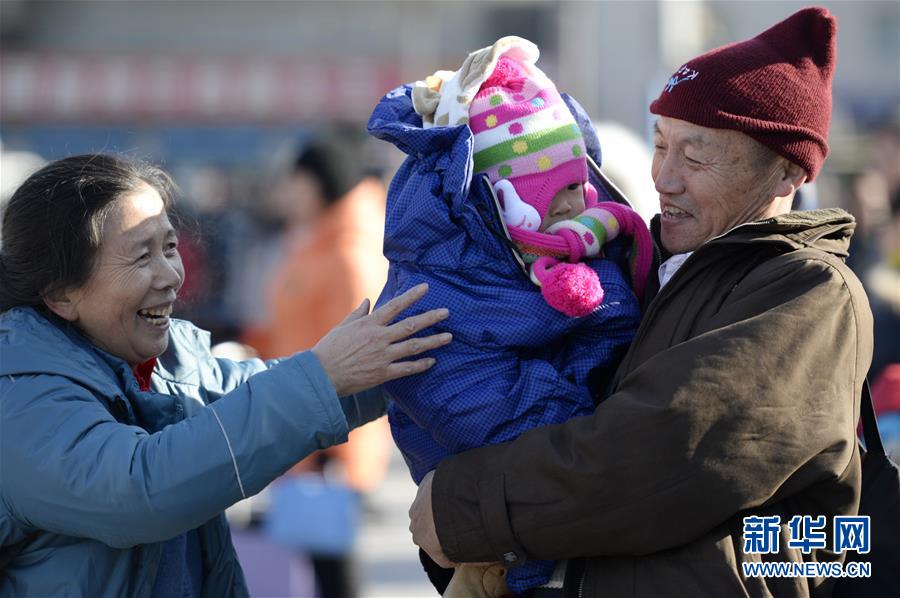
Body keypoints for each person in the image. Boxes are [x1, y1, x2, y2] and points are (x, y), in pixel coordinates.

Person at [407, 8, 875, 597]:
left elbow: (665, 450)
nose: (663, 177)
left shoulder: (809, 291)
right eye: (661, 145)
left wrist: (463, 508)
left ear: (785, 173)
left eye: (697, 156)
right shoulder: (638, 264)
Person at [0, 153, 452, 597]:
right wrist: (325, 375)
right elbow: (140, 490)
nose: (171, 276)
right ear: (61, 293)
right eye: (141, 257)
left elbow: (261, 390)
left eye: (170, 247)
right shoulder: (19, 394)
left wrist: (431, 350)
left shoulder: (164, 366)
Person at [369, 37, 650, 595]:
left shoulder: (560, 256)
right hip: (501, 558)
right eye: (557, 192)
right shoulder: (438, 291)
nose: (578, 206)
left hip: (546, 521)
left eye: (580, 186)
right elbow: (500, 415)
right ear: (502, 201)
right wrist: (605, 415)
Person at [258, 128, 394, 598]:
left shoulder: (344, 253)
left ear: (319, 183)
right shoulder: (317, 241)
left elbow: (356, 354)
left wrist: (329, 448)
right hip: (305, 419)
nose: (286, 192)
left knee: (332, 562)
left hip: (327, 435)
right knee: (322, 560)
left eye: (294, 180)